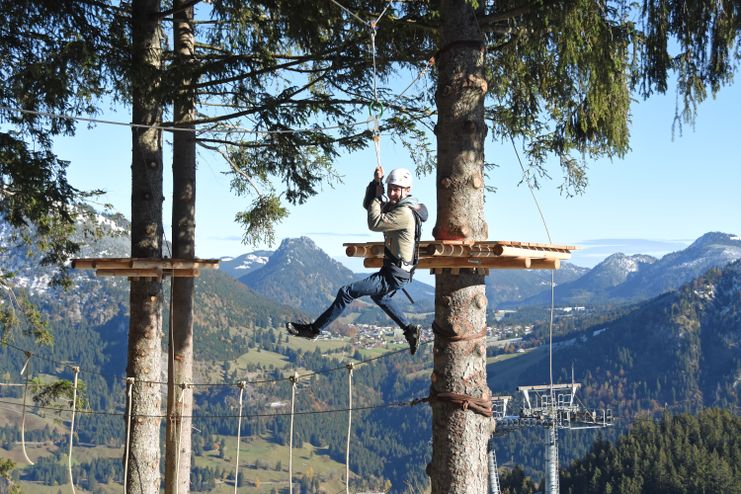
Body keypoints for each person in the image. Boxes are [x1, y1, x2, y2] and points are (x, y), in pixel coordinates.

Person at [286, 165, 428, 355]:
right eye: (390, 188)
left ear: (407, 190)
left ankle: (314, 330)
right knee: (379, 296)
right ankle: (409, 329)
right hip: (395, 270)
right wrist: (375, 184)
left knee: (346, 292)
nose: (392, 193)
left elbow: (375, 222)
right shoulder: (399, 207)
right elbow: (368, 206)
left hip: (394, 274)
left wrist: (378, 197)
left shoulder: (403, 212)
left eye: (396, 189)